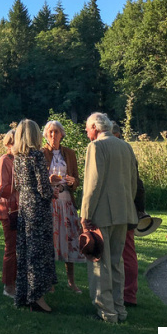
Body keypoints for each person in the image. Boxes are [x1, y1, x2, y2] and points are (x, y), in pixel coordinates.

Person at [80, 112, 138, 323]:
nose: (86, 132)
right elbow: (133, 181)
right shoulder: (125, 146)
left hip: (102, 214)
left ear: (95, 128)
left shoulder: (96, 147)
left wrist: (85, 214)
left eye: (87, 128)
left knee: (100, 263)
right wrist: (126, 205)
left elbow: (92, 185)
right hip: (123, 212)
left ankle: (106, 312)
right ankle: (120, 309)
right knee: (116, 262)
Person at [12, 119, 58, 313]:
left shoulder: (17, 157)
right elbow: (42, 185)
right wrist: (52, 191)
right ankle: (37, 297)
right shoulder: (36, 156)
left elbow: (19, 184)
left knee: (25, 251)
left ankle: (24, 294)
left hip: (24, 206)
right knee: (39, 252)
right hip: (38, 208)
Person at [41, 120, 85, 294]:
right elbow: (37, 179)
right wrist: (48, 179)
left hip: (66, 202)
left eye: (56, 132)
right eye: (50, 132)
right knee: (50, 243)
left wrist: (73, 181)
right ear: (46, 135)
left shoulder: (69, 153)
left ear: (62, 134)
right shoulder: (42, 153)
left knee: (70, 241)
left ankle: (71, 282)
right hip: (50, 202)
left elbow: (76, 178)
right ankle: (50, 282)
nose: (53, 135)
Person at [111, 122, 147, 307]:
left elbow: (137, 184)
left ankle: (127, 293)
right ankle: (129, 293)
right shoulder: (128, 151)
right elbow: (138, 185)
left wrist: (139, 209)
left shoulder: (118, 152)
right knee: (128, 253)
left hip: (122, 210)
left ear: (115, 135)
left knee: (125, 253)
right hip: (130, 208)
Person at [0, 129, 18, 298]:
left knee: (18, 248)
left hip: (18, 208)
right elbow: (2, 189)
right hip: (8, 210)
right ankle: (8, 287)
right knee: (11, 249)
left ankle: (17, 282)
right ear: (9, 143)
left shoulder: (19, 160)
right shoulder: (4, 160)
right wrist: (20, 185)